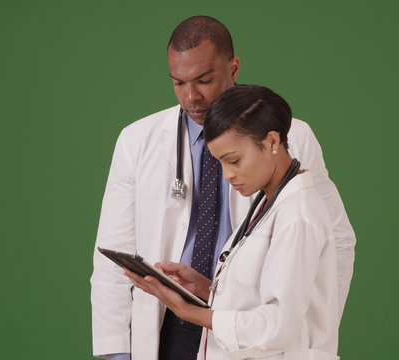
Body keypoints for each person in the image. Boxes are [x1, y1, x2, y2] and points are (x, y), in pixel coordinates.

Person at [90, 16, 355, 360]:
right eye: (178, 83)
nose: (191, 96)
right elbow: (113, 257)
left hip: (256, 332)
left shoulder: (292, 138)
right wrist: (118, 352)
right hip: (172, 319)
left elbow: (337, 243)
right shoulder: (137, 140)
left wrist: (310, 338)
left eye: (204, 80)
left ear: (233, 67)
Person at [125, 84, 340, 359]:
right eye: (221, 163)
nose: (227, 175)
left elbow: (277, 327)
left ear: (273, 142)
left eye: (234, 160)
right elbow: (256, 297)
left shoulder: (299, 214)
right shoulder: (268, 205)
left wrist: (187, 311)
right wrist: (204, 289)